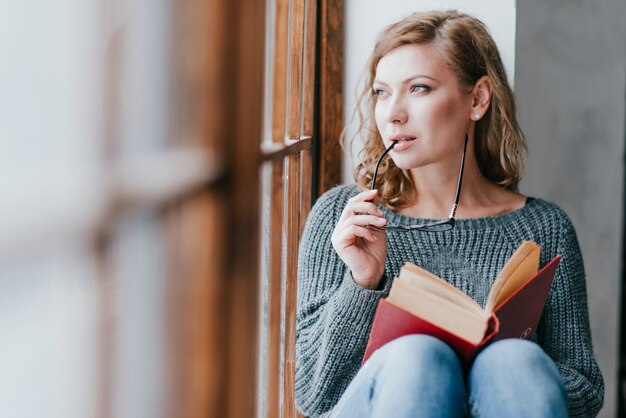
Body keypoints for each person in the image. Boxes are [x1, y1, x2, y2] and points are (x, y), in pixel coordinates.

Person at [294, 10, 604, 418]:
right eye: (382, 92)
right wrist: (363, 283)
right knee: (418, 358)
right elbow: (313, 396)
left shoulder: (544, 227)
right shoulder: (346, 217)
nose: (392, 113)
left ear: (477, 99)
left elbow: (584, 385)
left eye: (418, 89)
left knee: (514, 362)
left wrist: (493, 376)